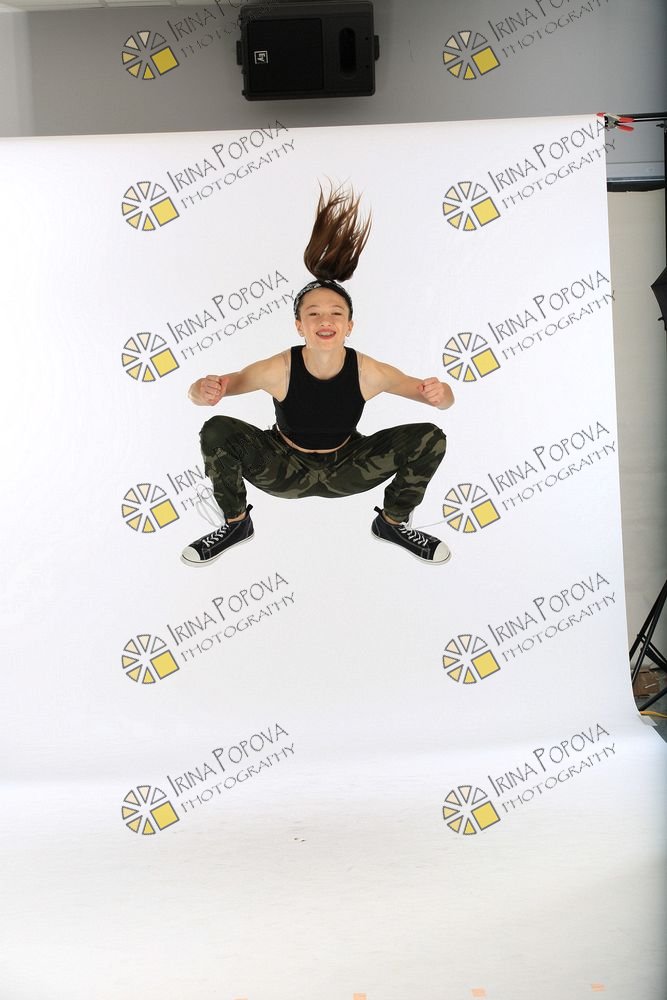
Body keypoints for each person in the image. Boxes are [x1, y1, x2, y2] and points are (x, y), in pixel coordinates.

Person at [181, 184, 455, 566]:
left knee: (430, 437)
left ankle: (392, 523)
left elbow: (435, 398)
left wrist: (443, 394)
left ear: (349, 325)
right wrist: (199, 390)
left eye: (335, 314)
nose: (325, 320)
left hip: (347, 468)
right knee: (216, 429)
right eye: (313, 314)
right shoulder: (277, 368)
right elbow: (219, 389)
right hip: (283, 468)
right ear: (299, 325)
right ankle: (236, 523)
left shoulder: (370, 371)